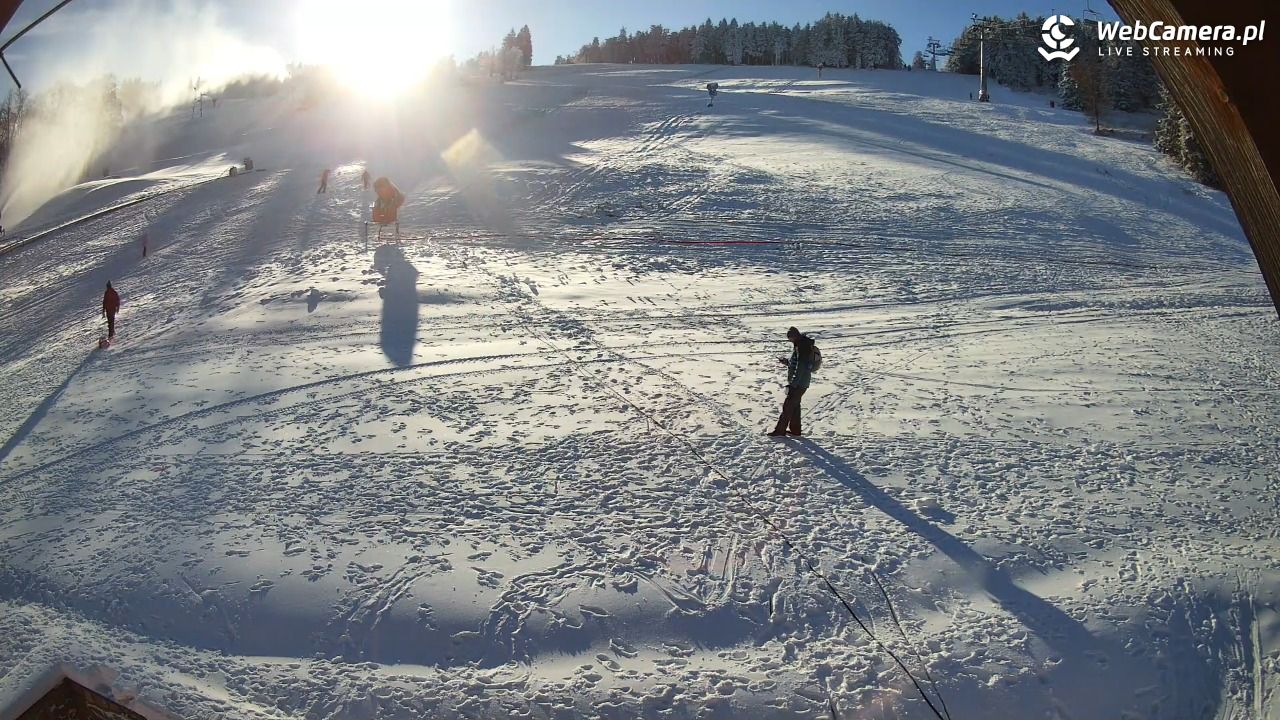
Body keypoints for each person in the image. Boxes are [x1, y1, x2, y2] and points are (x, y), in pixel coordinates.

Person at [768, 326, 815, 437]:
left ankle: (780, 430)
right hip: (801, 382)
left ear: (795, 336)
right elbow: (797, 363)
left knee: (788, 406)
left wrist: (793, 384)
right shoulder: (802, 345)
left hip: (799, 383)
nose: (790, 340)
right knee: (795, 406)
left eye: (791, 338)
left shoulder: (802, 347)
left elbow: (801, 367)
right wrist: (787, 362)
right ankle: (795, 430)